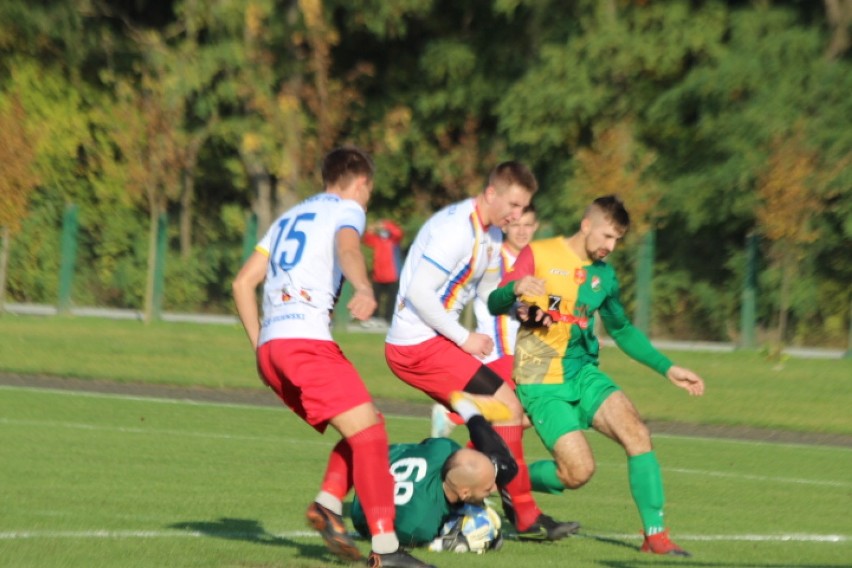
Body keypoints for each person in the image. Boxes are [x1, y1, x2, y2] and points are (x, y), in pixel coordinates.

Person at [231, 147, 434, 568]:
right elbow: (348, 250)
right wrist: (363, 287)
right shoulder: (347, 209)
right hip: (306, 343)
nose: (366, 201)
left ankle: (327, 504)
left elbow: (241, 283)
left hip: (274, 347)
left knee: (366, 426)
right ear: (360, 184)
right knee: (372, 437)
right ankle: (385, 551)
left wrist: (259, 346)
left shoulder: (288, 217)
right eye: (369, 192)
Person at [488, 195, 706, 557]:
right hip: (541, 380)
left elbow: (622, 331)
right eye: (606, 236)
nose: (610, 246)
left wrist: (668, 369)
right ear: (586, 224)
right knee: (578, 473)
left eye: (617, 240)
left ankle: (656, 537)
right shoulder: (539, 254)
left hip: (584, 372)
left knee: (637, 432)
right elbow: (496, 302)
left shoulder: (605, 276)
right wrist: (515, 289)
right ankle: (505, 478)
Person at [385, 161, 577, 541]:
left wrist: (522, 309)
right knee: (506, 410)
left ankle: (487, 502)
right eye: (514, 205)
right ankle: (511, 509)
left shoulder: (489, 234)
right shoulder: (455, 230)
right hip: (417, 344)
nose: (518, 215)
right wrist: (464, 338)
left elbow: (489, 295)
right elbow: (419, 292)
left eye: (524, 208)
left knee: (500, 415)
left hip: (435, 342)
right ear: (492, 194)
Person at [431, 204, 540, 439]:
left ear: (536, 226)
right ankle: (456, 413)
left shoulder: (536, 262)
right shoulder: (493, 259)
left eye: (528, 225)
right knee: (522, 414)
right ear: (506, 226)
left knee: (524, 417)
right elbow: (461, 293)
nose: (522, 232)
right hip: (500, 352)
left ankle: (459, 422)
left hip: (523, 355)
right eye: (516, 225)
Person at [349, 437, 507, 551]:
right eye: (486, 489)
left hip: (387, 459)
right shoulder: (421, 525)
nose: (493, 489)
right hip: (364, 513)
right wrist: (447, 544)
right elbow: (400, 538)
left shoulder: (446, 448)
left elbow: (425, 446)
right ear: (464, 492)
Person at [364, 219, 405, 325]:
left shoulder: (393, 241)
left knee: (392, 300)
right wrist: (370, 229)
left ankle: (389, 319)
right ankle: (374, 318)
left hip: (393, 275)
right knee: (375, 298)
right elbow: (367, 239)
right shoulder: (377, 240)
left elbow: (398, 233)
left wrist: (385, 225)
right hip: (378, 276)